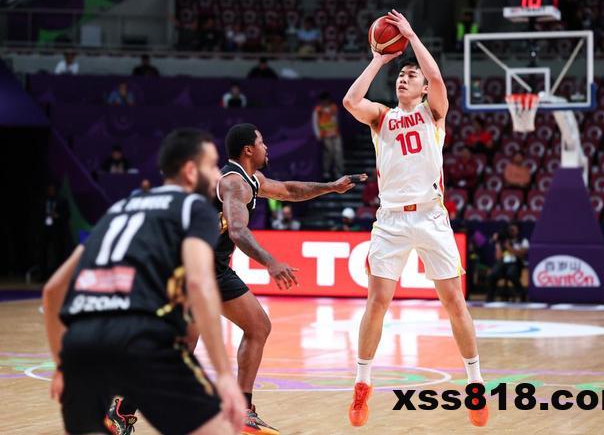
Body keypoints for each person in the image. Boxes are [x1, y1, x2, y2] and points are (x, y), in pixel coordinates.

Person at [42, 128, 245, 435]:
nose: (218, 174)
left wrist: (62, 366)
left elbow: (52, 291)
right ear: (191, 171)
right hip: (144, 338)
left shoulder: (119, 209)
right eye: (212, 165)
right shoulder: (194, 208)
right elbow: (199, 285)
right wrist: (224, 375)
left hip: (82, 346)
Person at [342, 9, 488, 428]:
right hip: (390, 219)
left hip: (430, 215)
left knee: (454, 301)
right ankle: (362, 383)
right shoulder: (382, 116)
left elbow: (437, 77)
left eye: (411, 75)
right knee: (377, 302)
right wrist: (379, 59)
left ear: (423, 88)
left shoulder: (433, 113)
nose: (404, 78)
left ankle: (475, 382)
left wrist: (412, 36)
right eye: (401, 75)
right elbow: (350, 101)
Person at [208, 123, 366, 434]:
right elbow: (238, 231)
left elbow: (290, 191)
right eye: (261, 142)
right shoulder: (233, 184)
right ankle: (122, 408)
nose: (266, 147)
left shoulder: (251, 179)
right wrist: (271, 262)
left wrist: (331, 187)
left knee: (258, 326)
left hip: (215, 269)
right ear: (248, 150)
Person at [486, 223, 529, 302]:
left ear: (518, 230)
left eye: (513, 230)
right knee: (492, 274)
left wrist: (509, 247)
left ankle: (522, 294)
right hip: (503, 263)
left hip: (516, 263)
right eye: (510, 230)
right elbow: (498, 257)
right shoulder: (503, 240)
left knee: (511, 273)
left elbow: (522, 255)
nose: (511, 232)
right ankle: (490, 297)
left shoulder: (523, 240)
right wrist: (498, 244)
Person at [41, 183, 70, 280]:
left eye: (52, 189)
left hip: (58, 230)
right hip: (46, 229)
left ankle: (59, 275)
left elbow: (67, 215)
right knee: (44, 251)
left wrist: (58, 216)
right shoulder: (44, 201)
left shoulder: (62, 200)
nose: (51, 191)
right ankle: (44, 274)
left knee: (58, 252)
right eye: (49, 189)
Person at [313, 91, 344, 180]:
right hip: (325, 135)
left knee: (338, 153)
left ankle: (338, 172)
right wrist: (317, 134)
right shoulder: (318, 109)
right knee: (328, 154)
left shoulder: (333, 107)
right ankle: (326, 171)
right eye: (323, 101)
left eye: (326, 100)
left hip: (335, 134)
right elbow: (315, 122)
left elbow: (336, 119)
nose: (325, 102)